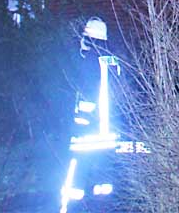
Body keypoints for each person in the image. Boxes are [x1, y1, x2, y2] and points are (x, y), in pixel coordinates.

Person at [60, 17, 122, 212]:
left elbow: (86, 96)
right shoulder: (115, 62)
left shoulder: (87, 63)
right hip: (111, 133)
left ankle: (67, 209)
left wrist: (78, 124)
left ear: (90, 38)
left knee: (74, 180)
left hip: (88, 133)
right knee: (104, 183)